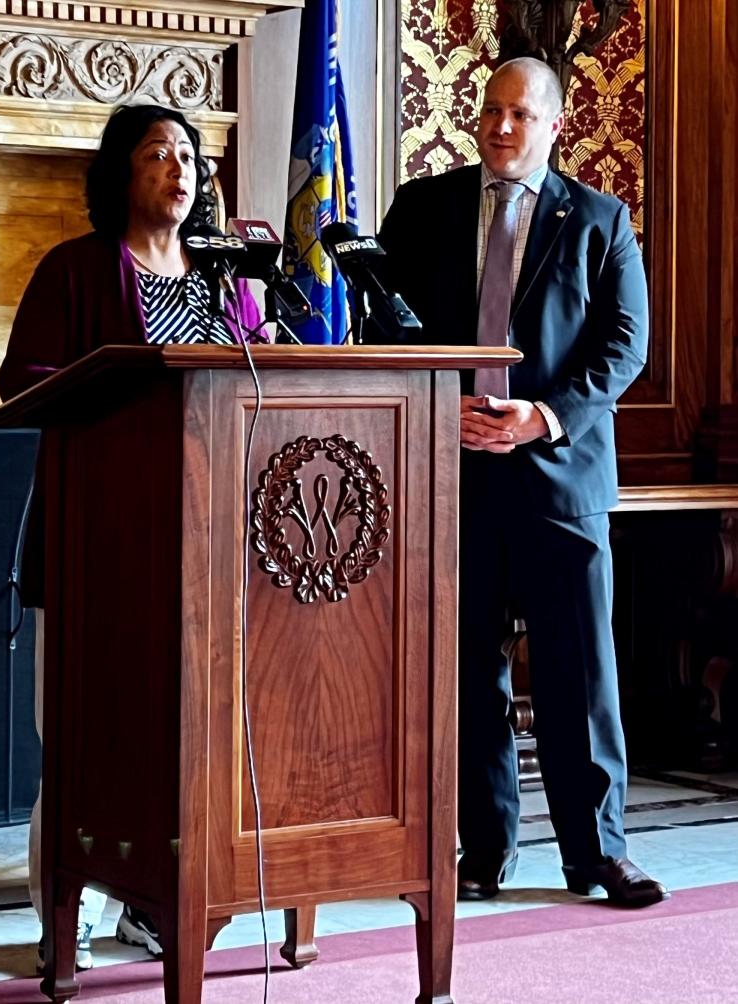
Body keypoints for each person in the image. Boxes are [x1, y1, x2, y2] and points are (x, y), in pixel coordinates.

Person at [377, 57, 666, 907]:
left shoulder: (602, 220)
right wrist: (436, 407)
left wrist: (539, 415)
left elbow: (625, 344)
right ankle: (483, 850)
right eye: (490, 113)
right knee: (468, 674)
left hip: (560, 477)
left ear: (554, 125)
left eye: (520, 116)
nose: (501, 129)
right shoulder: (422, 209)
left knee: (581, 676)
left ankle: (599, 855)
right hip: (450, 475)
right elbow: (383, 322)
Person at [0, 103, 265, 970]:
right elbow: (23, 381)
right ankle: (60, 919)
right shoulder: (74, 270)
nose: (179, 169)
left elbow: (262, 378)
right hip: (99, 545)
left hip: (205, 549)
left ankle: (153, 908)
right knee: (82, 739)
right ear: (121, 174)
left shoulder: (224, 284)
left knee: (177, 741)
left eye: (188, 154)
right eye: (157, 154)